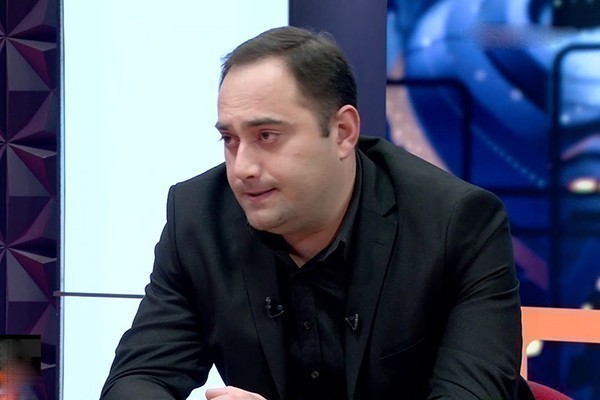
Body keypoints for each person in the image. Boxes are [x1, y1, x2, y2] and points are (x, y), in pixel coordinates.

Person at [101, 26, 533, 400]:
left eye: (267, 135)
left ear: (343, 132)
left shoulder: (457, 224)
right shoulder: (197, 218)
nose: (242, 168)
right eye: (229, 140)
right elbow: (137, 378)